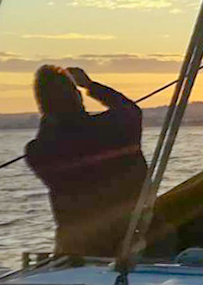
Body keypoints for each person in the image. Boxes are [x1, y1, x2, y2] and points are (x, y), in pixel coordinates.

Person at [24, 65, 147, 257]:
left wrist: (48, 118)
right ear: (79, 97)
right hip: (131, 238)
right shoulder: (115, 126)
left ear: (42, 107)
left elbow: (47, 140)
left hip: (78, 250)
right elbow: (131, 110)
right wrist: (90, 85)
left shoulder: (38, 152)